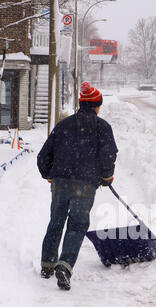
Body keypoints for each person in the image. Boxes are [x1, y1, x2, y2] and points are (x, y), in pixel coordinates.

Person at [37, 82, 118, 291]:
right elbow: (108, 155)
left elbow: (43, 155)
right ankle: (64, 265)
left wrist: (49, 175)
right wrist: (107, 176)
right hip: (85, 184)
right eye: (99, 105)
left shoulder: (63, 125)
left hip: (60, 182)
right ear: (95, 106)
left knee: (56, 220)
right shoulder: (102, 127)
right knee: (77, 225)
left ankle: (47, 264)